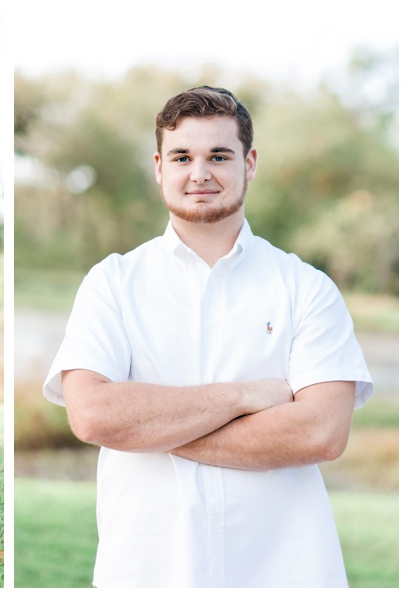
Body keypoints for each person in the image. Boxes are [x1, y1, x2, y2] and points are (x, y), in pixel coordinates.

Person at [43, 86, 373, 588]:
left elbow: (321, 432)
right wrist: (246, 396)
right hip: (149, 572)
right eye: (182, 156)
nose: (200, 173)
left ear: (250, 162)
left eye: (219, 155)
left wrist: (151, 426)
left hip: (287, 573)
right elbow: (92, 415)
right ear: (159, 166)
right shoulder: (111, 282)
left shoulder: (306, 288)